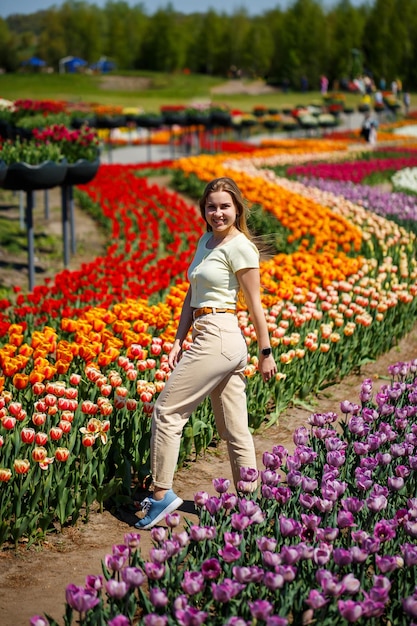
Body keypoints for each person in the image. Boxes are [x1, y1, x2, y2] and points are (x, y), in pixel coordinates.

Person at [135, 177, 278, 529]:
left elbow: (255, 305)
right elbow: (191, 294)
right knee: (234, 428)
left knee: (167, 411)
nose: (218, 212)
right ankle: (250, 504)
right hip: (207, 334)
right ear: (204, 210)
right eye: (211, 206)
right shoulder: (206, 241)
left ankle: (161, 495)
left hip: (218, 335)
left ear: (237, 209)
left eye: (225, 206)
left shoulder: (240, 247)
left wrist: (266, 351)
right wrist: (177, 339)